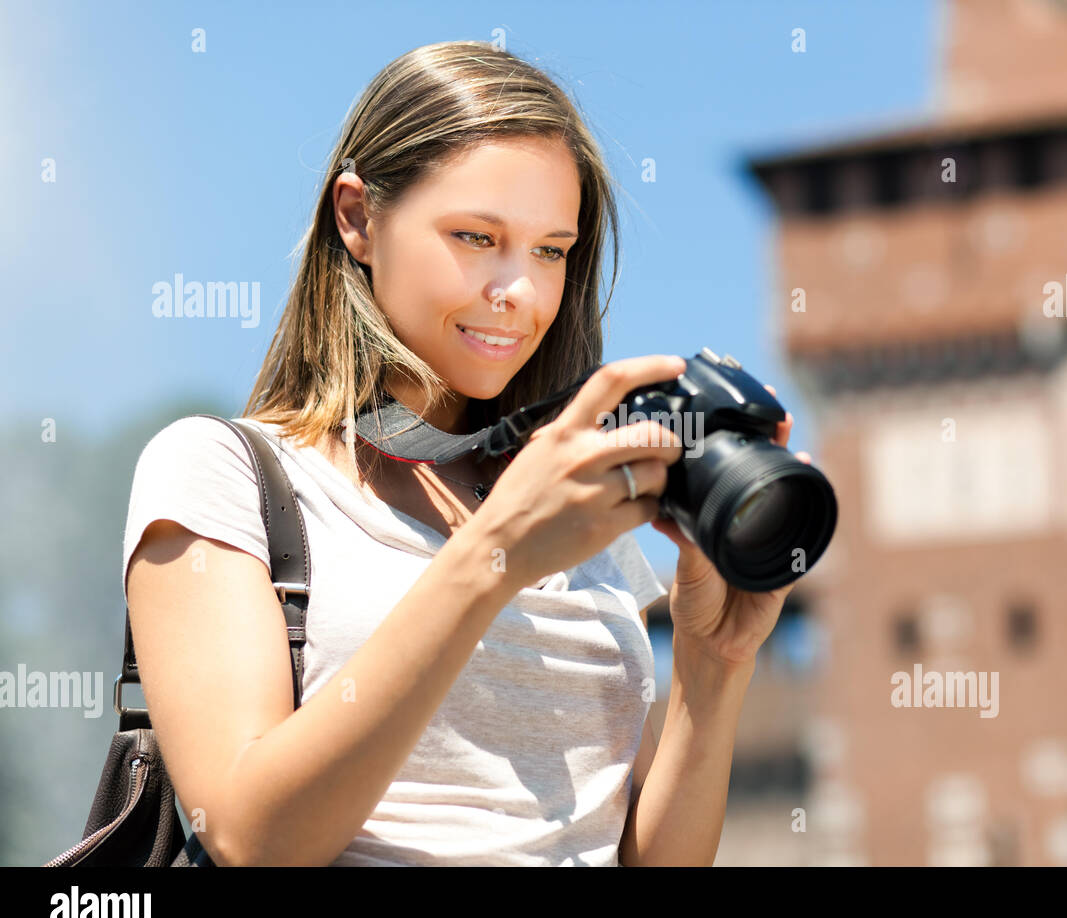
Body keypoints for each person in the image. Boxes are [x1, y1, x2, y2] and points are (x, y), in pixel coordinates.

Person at [122, 40, 810, 866]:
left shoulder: (579, 519)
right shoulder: (226, 473)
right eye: (477, 237)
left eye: (551, 250)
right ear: (357, 217)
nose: (518, 291)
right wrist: (495, 555)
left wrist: (715, 661)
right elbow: (249, 837)